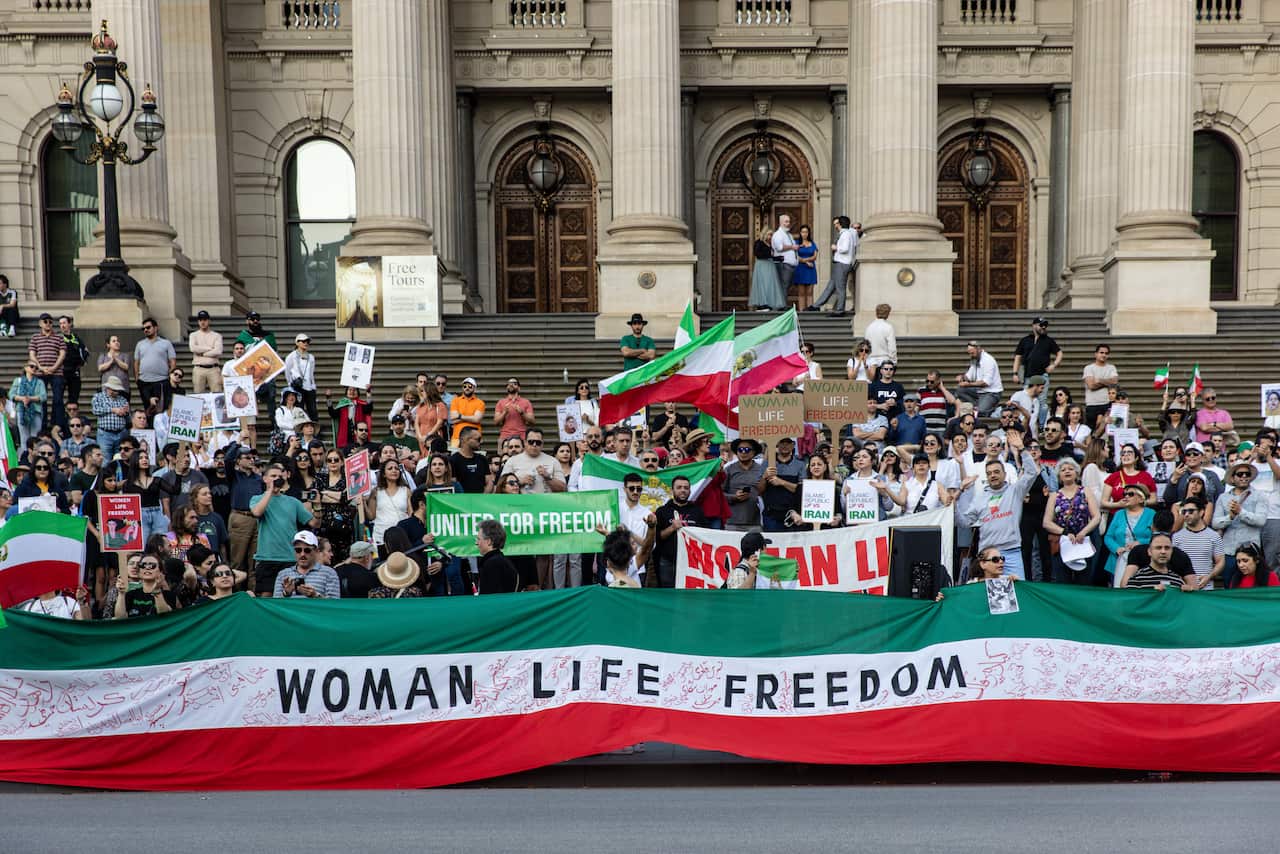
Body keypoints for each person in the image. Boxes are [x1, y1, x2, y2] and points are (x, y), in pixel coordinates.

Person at [250, 460, 317, 595]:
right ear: (265, 479)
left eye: (279, 477)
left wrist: (318, 506)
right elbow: (257, 512)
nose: (277, 479)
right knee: (266, 597)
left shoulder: (292, 501)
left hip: (289, 558)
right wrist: (270, 491)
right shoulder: (257, 498)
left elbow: (314, 523)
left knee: (290, 596)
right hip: (267, 558)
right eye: (273, 476)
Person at [1042, 459, 1101, 584]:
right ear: (1059, 476)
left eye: (1070, 469)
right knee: (1063, 580)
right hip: (1063, 542)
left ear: (1076, 473)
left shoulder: (1085, 491)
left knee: (1085, 580)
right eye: (1063, 470)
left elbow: (1096, 517)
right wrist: (1064, 532)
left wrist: (1084, 532)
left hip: (1083, 540)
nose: (1067, 471)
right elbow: (1046, 522)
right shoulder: (1054, 495)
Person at [1213, 460, 1267, 579]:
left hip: (1250, 552)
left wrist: (1241, 512)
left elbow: (1261, 521)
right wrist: (1230, 517)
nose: (1244, 476)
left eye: (1247, 474)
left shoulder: (1259, 495)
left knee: (1250, 590)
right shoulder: (1223, 497)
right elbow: (1215, 523)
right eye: (1240, 474)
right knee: (1229, 589)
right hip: (1229, 552)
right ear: (1232, 478)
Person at [654, 474, 707, 588]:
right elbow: (657, 537)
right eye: (679, 487)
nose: (683, 490)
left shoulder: (698, 511)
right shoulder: (662, 511)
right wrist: (671, 528)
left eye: (686, 488)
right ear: (672, 490)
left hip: (692, 563)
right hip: (668, 561)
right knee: (667, 595)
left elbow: (705, 536)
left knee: (689, 596)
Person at [1102, 483, 1155, 584]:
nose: (1126, 496)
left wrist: (1141, 542)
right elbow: (1108, 537)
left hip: (1142, 562)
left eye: (1130, 494)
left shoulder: (1151, 513)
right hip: (1118, 560)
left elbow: (1156, 536)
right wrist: (1116, 548)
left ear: (1141, 499)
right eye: (1124, 494)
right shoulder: (1119, 514)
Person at [1171, 495, 1225, 589]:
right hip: (1183, 588)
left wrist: (1209, 576)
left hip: (1206, 588)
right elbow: (1172, 563)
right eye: (1184, 511)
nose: (1187, 514)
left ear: (1201, 512)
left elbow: (1220, 561)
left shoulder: (1214, 536)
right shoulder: (1177, 537)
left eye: (1191, 511)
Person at [807, 215, 855, 316]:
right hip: (839, 263)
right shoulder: (844, 234)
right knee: (831, 286)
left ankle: (840, 310)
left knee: (840, 288)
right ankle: (816, 305)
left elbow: (845, 248)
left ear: (840, 224)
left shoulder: (846, 234)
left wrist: (835, 247)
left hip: (842, 263)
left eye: (837, 224)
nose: (835, 226)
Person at [274, 530, 340, 598]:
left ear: (316, 551)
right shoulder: (283, 574)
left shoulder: (329, 573)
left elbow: (334, 606)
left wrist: (315, 595)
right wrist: (286, 593)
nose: (302, 554)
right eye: (298, 550)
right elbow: (273, 606)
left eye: (307, 550)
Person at [1120, 532, 1196, 591]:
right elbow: (1130, 605)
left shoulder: (1178, 581)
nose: (1163, 551)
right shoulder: (1137, 580)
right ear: (1149, 551)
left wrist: (1189, 593)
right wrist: (1152, 594)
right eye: (1158, 548)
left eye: (1167, 548)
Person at [760, 436, 805, 532]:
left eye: (788, 442)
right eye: (782, 442)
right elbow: (759, 490)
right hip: (771, 514)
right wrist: (764, 477)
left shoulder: (800, 465)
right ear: (777, 444)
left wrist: (782, 482)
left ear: (793, 445)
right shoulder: (766, 464)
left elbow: (802, 490)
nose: (785, 445)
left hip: (793, 514)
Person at [366, 457, 410, 554]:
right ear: (384, 474)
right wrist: (362, 503)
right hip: (380, 536)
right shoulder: (376, 491)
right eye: (390, 468)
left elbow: (411, 514)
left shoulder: (406, 490)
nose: (394, 470)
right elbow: (371, 516)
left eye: (396, 468)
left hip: (401, 535)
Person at [133, 317, 176, 415]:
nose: (145, 330)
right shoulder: (140, 344)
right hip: (144, 382)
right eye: (143, 329)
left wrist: (171, 377)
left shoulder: (166, 343)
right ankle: (149, 428)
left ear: (156, 328)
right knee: (147, 408)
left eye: (148, 327)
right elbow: (136, 362)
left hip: (161, 381)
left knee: (161, 409)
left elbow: (172, 361)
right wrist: (137, 378)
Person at [723, 438, 766, 532]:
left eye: (747, 450)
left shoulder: (761, 469)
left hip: (755, 522)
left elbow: (764, 492)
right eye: (740, 450)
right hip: (732, 522)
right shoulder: (728, 469)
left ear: (753, 452)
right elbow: (719, 494)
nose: (743, 453)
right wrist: (734, 497)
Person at [113, 554, 172, 618]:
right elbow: (120, 618)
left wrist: (157, 592)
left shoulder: (168, 595)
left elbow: (165, 617)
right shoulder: (130, 595)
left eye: (152, 565)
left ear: (160, 571)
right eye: (143, 565)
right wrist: (121, 594)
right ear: (139, 571)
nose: (147, 568)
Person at [955, 340, 1004, 417]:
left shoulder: (988, 360)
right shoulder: (975, 360)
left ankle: (993, 410)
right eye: (969, 353)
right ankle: (980, 406)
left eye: (972, 353)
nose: (971, 355)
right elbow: (969, 376)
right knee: (959, 390)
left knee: (980, 413)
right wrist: (962, 377)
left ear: (979, 349)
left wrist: (968, 384)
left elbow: (985, 383)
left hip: (991, 393)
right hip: (979, 392)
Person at [1102, 443, 1158, 511]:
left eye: (1129, 453)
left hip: (1141, 516)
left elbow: (1154, 500)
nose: (1125, 455)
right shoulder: (1113, 476)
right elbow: (1103, 503)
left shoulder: (1146, 476)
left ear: (1136, 458)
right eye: (1123, 453)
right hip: (1118, 516)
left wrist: (1139, 502)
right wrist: (1118, 504)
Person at [475, 518, 519, 593]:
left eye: (479, 539)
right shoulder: (502, 561)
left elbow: (489, 598)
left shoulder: (492, 564)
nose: (476, 543)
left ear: (488, 541)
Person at [10, 358, 46, 448]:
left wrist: (30, 399)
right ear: (25, 368)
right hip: (21, 410)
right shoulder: (18, 381)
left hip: (35, 411)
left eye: (36, 367)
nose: (34, 369)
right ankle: (25, 456)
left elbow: (43, 396)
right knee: (23, 437)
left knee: (35, 435)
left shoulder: (39, 382)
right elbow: (11, 394)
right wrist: (23, 398)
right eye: (32, 366)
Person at [1082, 344, 1119, 432]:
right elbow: (1091, 386)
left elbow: (1115, 382)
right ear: (1096, 354)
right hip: (1092, 404)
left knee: (1108, 431)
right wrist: (1107, 382)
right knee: (1091, 431)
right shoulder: (1089, 368)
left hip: (1107, 403)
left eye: (1106, 353)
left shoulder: (1111, 367)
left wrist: (1099, 380)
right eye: (1101, 352)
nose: (1104, 355)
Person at [57, 315, 88, 420]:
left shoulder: (77, 338)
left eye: (64, 323)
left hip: (74, 372)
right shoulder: (58, 338)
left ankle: (73, 419)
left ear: (69, 324)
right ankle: (61, 420)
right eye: (60, 324)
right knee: (58, 398)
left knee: (74, 398)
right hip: (61, 372)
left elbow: (85, 352)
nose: (62, 326)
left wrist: (81, 362)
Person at [326, 385, 375, 451]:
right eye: (350, 390)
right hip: (345, 438)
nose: (352, 392)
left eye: (354, 390)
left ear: (358, 393)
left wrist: (368, 393)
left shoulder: (362, 405)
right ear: (346, 392)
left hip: (358, 438)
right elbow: (333, 414)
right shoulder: (342, 405)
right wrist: (328, 398)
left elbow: (369, 409)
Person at [187, 310, 224, 394]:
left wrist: (202, 353)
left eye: (205, 320)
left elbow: (218, 351)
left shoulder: (217, 336)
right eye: (200, 320)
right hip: (199, 368)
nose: (202, 322)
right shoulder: (193, 335)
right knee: (198, 396)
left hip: (213, 369)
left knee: (217, 395)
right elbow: (193, 348)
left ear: (209, 321)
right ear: (198, 321)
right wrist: (210, 348)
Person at [750, 228, 787, 311]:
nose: (770, 236)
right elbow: (758, 254)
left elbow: (770, 256)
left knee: (770, 284)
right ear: (765, 234)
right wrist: (770, 256)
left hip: (769, 266)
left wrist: (778, 258)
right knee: (762, 284)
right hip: (762, 266)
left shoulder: (770, 244)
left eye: (771, 235)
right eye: (769, 234)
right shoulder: (759, 243)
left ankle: (769, 303)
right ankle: (762, 304)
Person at [493, 377, 535, 443]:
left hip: (522, 436)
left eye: (514, 383)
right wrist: (504, 413)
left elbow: (532, 421)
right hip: (505, 436)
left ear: (519, 388)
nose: (511, 385)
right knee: (503, 453)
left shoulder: (526, 402)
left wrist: (522, 413)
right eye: (509, 384)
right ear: (506, 387)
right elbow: (496, 422)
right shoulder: (501, 402)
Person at [448, 377, 485, 448]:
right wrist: (471, 418)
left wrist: (460, 416)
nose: (467, 388)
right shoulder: (455, 401)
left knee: (474, 458)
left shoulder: (480, 403)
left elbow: (477, 419)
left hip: (474, 438)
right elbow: (453, 418)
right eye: (464, 386)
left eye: (470, 386)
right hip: (457, 437)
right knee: (455, 457)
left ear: (474, 388)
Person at [414, 382, 449, 455]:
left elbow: (439, 423)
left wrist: (428, 436)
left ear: (429, 392)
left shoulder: (440, 405)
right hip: (421, 436)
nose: (421, 393)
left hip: (433, 436)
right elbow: (416, 423)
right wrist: (419, 436)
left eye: (423, 391)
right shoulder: (421, 406)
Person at [770, 213, 799, 294]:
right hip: (783, 265)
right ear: (780, 222)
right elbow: (779, 247)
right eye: (786, 222)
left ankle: (782, 305)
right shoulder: (778, 234)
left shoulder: (789, 235)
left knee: (786, 287)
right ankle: (781, 306)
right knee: (783, 287)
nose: (788, 224)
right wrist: (792, 247)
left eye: (789, 222)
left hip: (791, 265)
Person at [863, 304, 897, 369]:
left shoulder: (869, 327)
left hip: (870, 361)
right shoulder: (888, 327)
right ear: (887, 314)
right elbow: (892, 348)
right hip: (884, 362)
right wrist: (894, 362)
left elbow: (866, 345)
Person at [792, 223, 817, 306]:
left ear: (808, 233)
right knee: (801, 292)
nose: (804, 234)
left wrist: (807, 260)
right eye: (803, 232)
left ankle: (809, 311)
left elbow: (814, 256)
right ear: (800, 233)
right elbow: (795, 256)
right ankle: (802, 311)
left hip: (811, 269)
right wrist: (806, 262)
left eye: (806, 232)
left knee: (810, 292)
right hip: (800, 268)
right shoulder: (796, 243)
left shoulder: (812, 243)